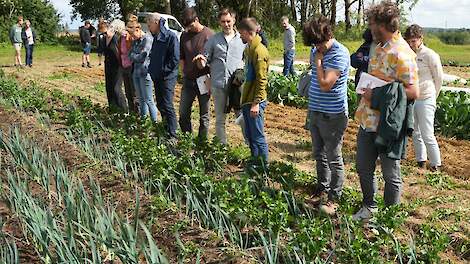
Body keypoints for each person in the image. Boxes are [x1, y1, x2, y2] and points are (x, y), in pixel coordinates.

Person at [353, 1, 419, 221]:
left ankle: (389, 218)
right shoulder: (378, 46)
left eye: (372, 24)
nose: (369, 29)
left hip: (387, 124)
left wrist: (378, 95)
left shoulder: (403, 53)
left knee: (391, 174)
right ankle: (369, 208)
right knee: (363, 168)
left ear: (382, 24)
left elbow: (413, 91)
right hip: (367, 119)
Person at [302, 16, 350, 215]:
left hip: (333, 114)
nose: (316, 48)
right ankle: (322, 189)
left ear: (327, 35)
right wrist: (317, 57)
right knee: (318, 153)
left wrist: (319, 62)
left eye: (317, 43)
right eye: (313, 44)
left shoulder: (340, 53)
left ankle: (334, 197)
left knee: (333, 156)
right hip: (315, 110)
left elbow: (325, 83)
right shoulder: (316, 50)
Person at [193, 8, 245, 144]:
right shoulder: (213, 40)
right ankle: (222, 148)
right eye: (223, 21)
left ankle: (250, 146)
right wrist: (200, 61)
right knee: (220, 119)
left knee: (241, 116)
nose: (226, 24)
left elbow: (247, 60)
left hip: (236, 86)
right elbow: (204, 60)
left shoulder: (242, 40)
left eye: (228, 21)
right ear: (219, 22)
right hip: (218, 84)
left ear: (234, 21)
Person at [405, 24, 443, 172]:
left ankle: (435, 164)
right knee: (415, 132)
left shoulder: (430, 55)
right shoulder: (408, 54)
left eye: (414, 41)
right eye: (409, 41)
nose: (411, 44)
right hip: (413, 98)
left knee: (427, 133)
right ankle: (420, 161)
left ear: (421, 39)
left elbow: (438, 78)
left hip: (426, 97)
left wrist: (433, 95)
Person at [178, 8, 214, 140]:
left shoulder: (209, 35)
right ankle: (187, 139)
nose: (188, 29)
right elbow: (181, 56)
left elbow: (215, 59)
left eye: (191, 25)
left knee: (204, 115)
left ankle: (201, 143)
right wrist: (183, 71)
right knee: (183, 112)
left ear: (197, 20)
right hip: (189, 80)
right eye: (186, 27)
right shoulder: (184, 35)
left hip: (205, 79)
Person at [238, 18, 269, 166]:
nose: (240, 36)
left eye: (241, 33)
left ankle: (263, 168)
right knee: (250, 135)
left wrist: (256, 103)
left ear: (249, 33)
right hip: (247, 97)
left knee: (257, 136)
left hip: (255, 101)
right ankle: (254, 164)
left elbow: (262, 80)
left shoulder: (259, 51)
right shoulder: (249, 48)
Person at [147, 13, 179, 140]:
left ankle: (173, 134)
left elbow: (175, 59)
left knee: (167, 104)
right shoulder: (156, 37)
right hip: (157, 76)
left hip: (167, 77)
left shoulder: (170, 36)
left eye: (149, 25)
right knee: (160, 104)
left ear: (156, 23)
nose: (148, 28)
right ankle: (165, 130)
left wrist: (163, 71)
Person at [129, 22, 158, 122]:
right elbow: (130, 55)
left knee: (149, 100)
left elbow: (142, 57)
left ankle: (155, 123)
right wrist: (134, 56)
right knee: (141, 99)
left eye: (133, 34)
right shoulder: (135, 41)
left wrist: (134, 56)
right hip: (136, 73)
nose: (132, 37)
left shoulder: (147, 39)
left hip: (145, 73)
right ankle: (144, 121)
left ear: (138, 30)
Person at [100, 19, 128, 110]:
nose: (109, 29)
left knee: (116, 89)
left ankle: (124, 109)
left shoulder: (116, 38)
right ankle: (113, 109)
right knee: (109, 88)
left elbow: (118, 53)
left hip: (117, 66)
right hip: (108, 65)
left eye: (111, 27)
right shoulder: (105, 38)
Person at [118, 19, 137, 113]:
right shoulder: (121, 38)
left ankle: (137, 114)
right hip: (124, 66)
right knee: (128, 92)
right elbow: (120, 51)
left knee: (134, 93)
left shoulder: (131, 38)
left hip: (131, 66)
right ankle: (131, 113)